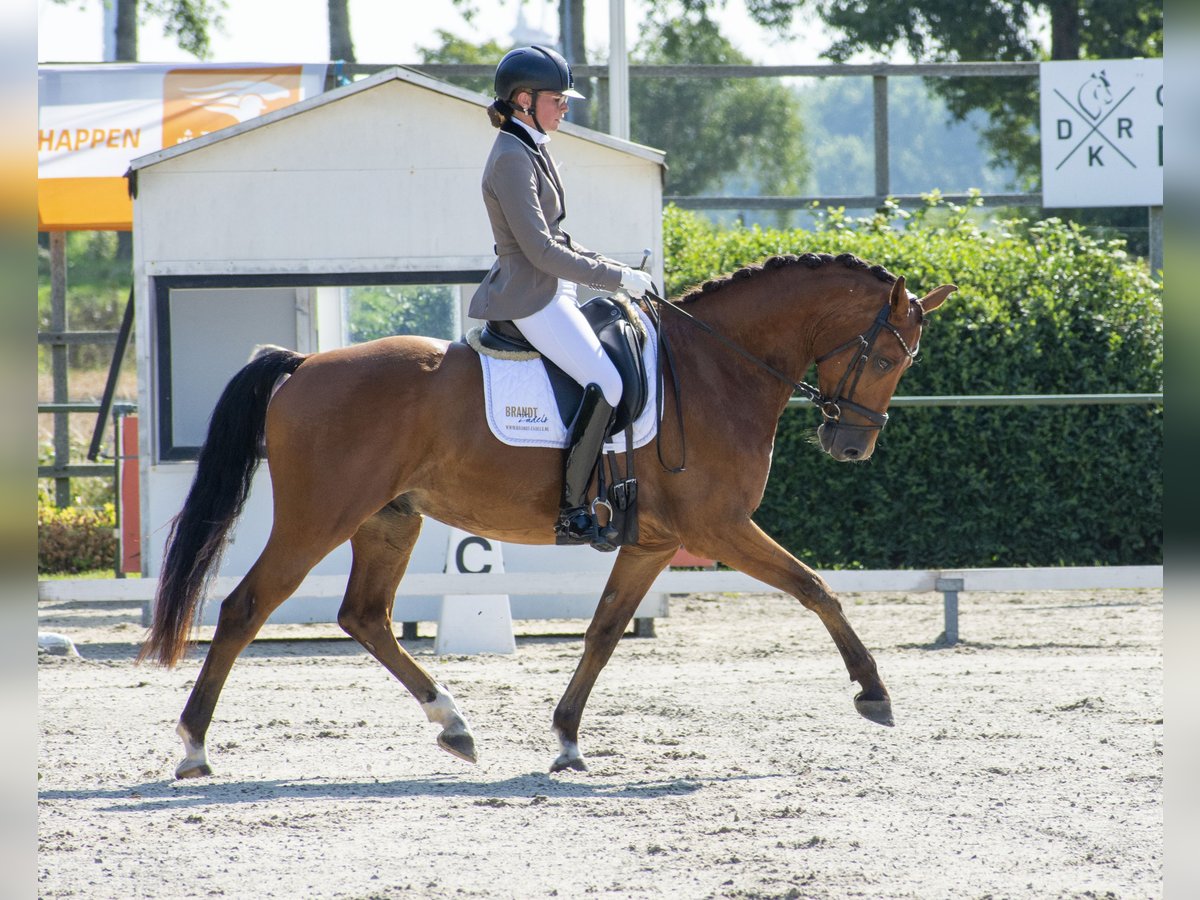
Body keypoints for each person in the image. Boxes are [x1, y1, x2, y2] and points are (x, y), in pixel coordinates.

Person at [469, 45, 654, 549]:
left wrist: (616, 270)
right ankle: (571, 511)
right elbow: (541, 250)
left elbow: (560, 238)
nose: (565, 106)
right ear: (524, 99)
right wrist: (613, 280)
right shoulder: (510, 157)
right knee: (607, 382)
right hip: (531, 298)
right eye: (558, 98)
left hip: (554, 289)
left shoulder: (532, 146)